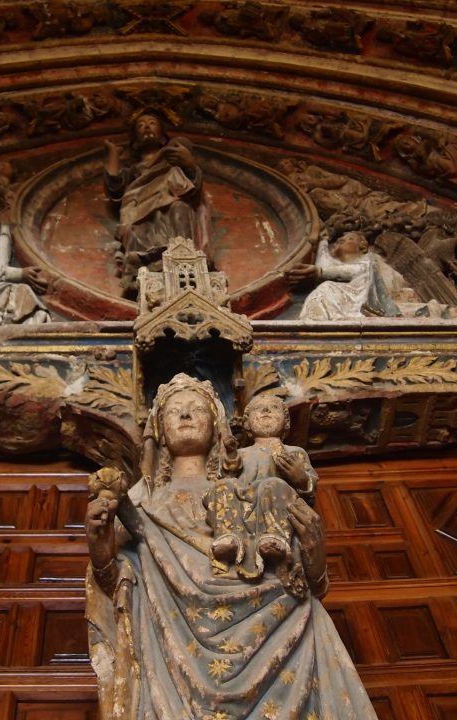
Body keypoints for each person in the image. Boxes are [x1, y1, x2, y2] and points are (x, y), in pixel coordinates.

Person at [85, 373, 376, 719]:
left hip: (279, 632)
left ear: (217, 426)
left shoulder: (250, 488)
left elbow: (309, 582)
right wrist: (99, 543)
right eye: (174, 411)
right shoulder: (142, 503)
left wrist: (314, 546)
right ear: (159, 431)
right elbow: (115, 584)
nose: (186, 415)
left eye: (197, 409)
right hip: (172, 650)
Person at [206, 393, 318, 585]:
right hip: (244, 507)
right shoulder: (242, 453)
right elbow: (227, 477)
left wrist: (300, 478)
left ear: (286, 422)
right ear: (247, 424)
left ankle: (274, 538)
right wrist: (231, 456)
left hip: (274, 506)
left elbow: (310, 488)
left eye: (274, 408)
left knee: (273, 484)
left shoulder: (295, 452)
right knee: (222, 486)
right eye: (259, 409)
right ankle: (229, 536)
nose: (266, 410)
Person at [104, 113, 207, 293]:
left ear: (162, 137)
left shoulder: (172, 162)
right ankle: (145, 264)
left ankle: (184, 261)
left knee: (180, 208)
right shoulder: (133, 170)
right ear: (135, 141)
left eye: (152, 123)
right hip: (138, 206)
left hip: (170, 200)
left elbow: (192, 185)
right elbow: (115, 187)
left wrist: (189, 163)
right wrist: (113, 154)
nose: (146, 127)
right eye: (141, 125)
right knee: (136, 228)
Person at [290, 231, 411, 321]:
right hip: (343, 295)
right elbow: (324, 266)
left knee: (326, 288)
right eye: (340, 239)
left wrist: (320, 271)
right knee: (322, 291)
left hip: (359, 298)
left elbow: (355, 270)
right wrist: (323, 241)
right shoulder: (335, 266)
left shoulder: (368, 260)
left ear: (362, 246)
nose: (342, 240)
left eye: (350, 238)